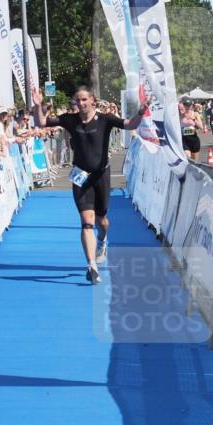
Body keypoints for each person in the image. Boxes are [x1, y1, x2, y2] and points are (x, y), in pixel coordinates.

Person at [32, 86, 147, 284]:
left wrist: (141, 112)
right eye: (78, 100)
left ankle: (102, 240)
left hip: (101, 176)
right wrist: (37, 106)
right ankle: (91, 265)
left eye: (84, 99)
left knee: (101, 221)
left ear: (93, 100)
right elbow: (41, 122)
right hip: (80, 177)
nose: (81, 103)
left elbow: (129, 125)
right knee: (87, 221)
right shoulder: (70, 119)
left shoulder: (106, 119)